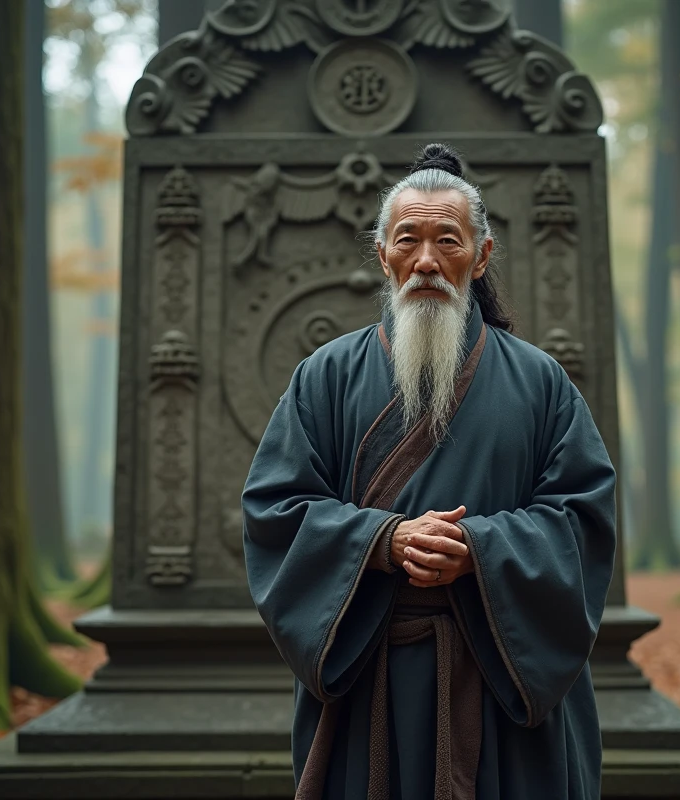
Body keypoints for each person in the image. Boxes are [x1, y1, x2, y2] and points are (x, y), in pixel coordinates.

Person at [242, 143, 617, 800]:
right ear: (382, 253)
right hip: (369, 669)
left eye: (447, 240)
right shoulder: (324, 376)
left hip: (497, 674)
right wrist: (383, 542)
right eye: (407, 240)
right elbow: (275, 509)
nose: (426, 260)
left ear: (481, 254)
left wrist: (479, 549)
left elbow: (582, 518)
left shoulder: (541, 383)